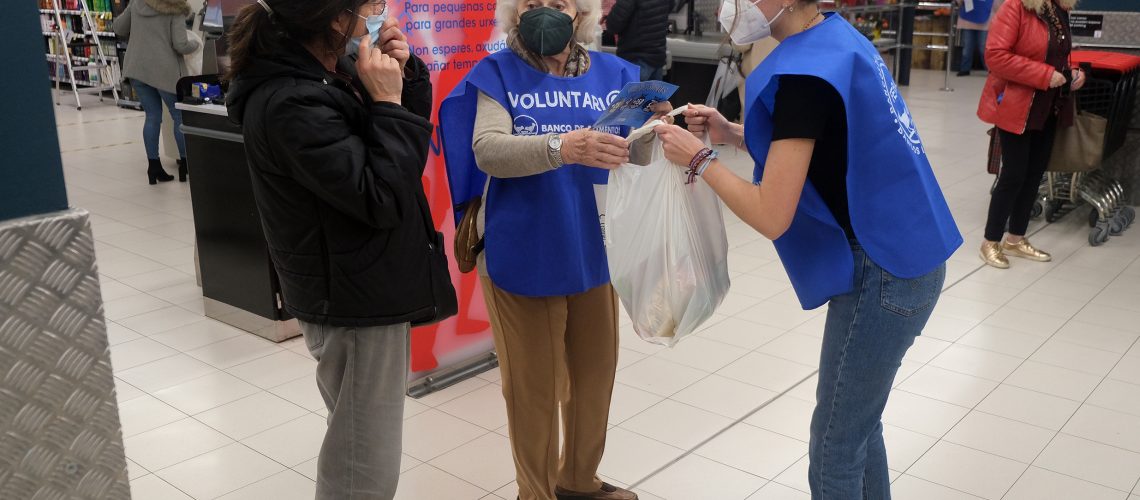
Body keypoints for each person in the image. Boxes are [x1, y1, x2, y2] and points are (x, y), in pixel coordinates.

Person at [655, 0, 962, 498]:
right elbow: (828, 148)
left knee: (835, 444)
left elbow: (771, 214)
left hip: (883, 272)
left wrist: (701, 160)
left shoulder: (803, 75)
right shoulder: (837, 42)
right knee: (861, 425)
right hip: (911, 251)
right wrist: (732, 134)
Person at [439, 1, 668, 499]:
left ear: (581, 12)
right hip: (525, 254)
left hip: (593, 250)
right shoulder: (497, 73)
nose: (545, 10)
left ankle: (578, 481)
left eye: (558, 2)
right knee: (534, 392)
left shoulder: (617, 74)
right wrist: (562, 148)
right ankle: (535, 493)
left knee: (593, 380)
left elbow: (632, 152)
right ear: (514, 13)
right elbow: (488, 150)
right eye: (531, 2)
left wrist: (660, 131)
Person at [224, 0, 444, 498]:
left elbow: (393, 154)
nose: (374, 16)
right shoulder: (291, 101)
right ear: (333, 19)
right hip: (353, 299)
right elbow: (381, 194)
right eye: (366, 7)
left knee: (361, 438)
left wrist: (403, 80)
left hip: (363, 282)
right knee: (363, 459)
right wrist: (386, 104)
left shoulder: (330, 73)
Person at [976, 0, 1083, 268]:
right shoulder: (1015, 6)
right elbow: (996, 55)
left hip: (1048, 106)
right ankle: (990, 241)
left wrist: (1073, 74)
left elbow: (1057, 52)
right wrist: (1044, 75)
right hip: (1016, 104)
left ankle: (1015, 239)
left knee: (1034, 172)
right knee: (1013, 174)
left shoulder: (1059, 8)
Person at [113, 0, 200, 184]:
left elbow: (119, 28)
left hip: (138, 69)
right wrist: (197, 44)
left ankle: (154, 167)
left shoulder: (137, 3)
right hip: (165, 71)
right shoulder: (175, 8)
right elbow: (181, 45)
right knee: (179, 117)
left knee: (152, 117)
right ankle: (186, 166)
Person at [605, 0, 675, 80]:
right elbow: (669, 8)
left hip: (635, 60)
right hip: (657, 59)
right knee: (653, 92)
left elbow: (613, 26)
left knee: (630, 92)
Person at [955, 0, 1002, 76]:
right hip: (968, 20)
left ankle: (990, 70)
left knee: (983, 48)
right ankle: (965, 69)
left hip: (985, 20)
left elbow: (998, 4)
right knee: (967, 47)